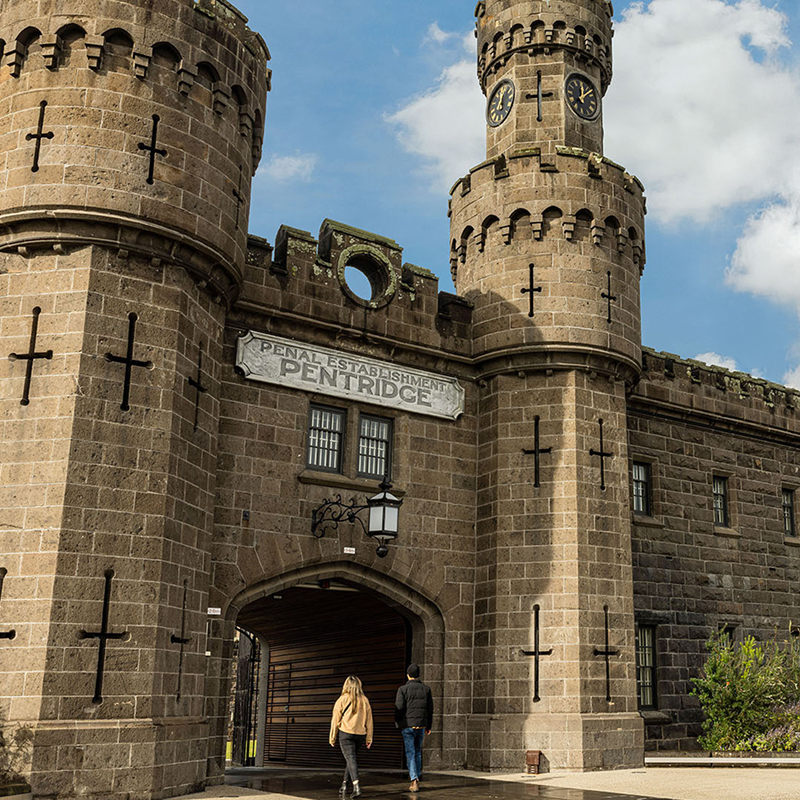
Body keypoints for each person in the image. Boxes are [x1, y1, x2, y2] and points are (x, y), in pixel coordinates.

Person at [330, 675, 373, 799]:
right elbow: (369, 721)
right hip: (360, 734)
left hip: (345, 733)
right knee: (351, 759)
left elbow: (335, 720)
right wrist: (369, 738)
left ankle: (356, 786)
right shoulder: (365, 700)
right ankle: (344, 784)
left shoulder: (342, 699)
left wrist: (332, 737)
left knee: (351, 758)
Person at [395, 663, 433, 793]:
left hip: (408, 726)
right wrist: (428, 726)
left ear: (408, 675)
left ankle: (414, 780)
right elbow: (430, 710)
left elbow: (399, 708)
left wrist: (398, 723)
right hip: (421, 725)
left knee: (410, 753)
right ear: (418, 675)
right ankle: (417, 775)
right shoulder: (426, 689)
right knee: (417, 752)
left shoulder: (402, 690)